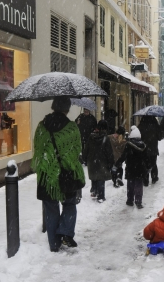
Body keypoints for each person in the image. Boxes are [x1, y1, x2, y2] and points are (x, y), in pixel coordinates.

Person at [31, 96, 85, 251]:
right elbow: (76, 151)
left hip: (47, 176)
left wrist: (49, 165)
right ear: (67, 109)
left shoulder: (42, 127)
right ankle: (66, 231)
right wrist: (67, 163)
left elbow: (39, 150)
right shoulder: (71, 128)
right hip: (66, 175)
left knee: (51, 208)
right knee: (69, 204)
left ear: (53, 106)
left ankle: (54, 244)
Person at [115, 125, 149, 208]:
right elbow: (146, 158)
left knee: (130, 184)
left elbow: (123, 156)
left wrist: (117, 163)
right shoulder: (143, 146)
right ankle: (138, 201)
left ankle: (130, 200)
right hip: (140, 168)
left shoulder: (128, 145)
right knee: (139, 185)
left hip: (130, 168)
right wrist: (148, 167)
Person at [83, 119, 114, 202]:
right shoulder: (105, 138)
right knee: (101, 178)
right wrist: (111, 162)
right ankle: (101, 196)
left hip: (92, 160)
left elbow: (86, 148)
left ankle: (94, 191)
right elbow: (109, 152)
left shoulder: (91, 136)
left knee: (94, 175)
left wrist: (84, 158)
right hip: (102, 161)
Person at [138, 115, 163, 184]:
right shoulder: (155, 124)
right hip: (153, 148)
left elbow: (138, 136)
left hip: (144, 148)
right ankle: (154, 177)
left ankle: (145, 179)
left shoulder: (141, 125)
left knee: (145, 163)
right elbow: (160, 137)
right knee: (153, 163)